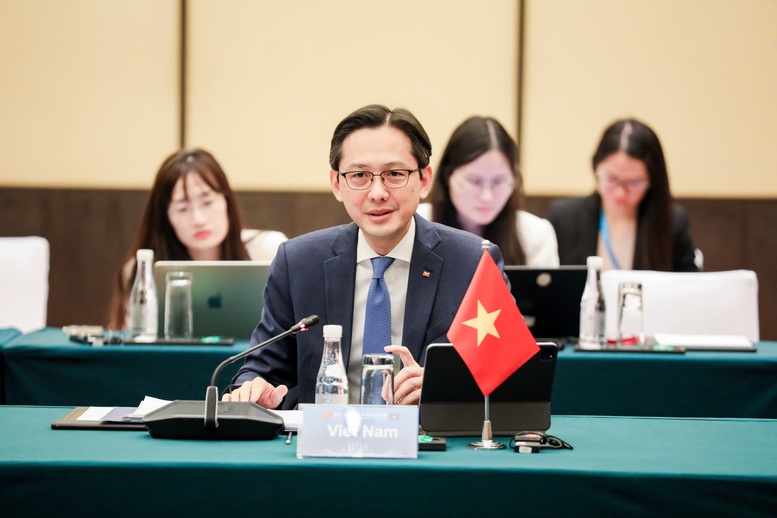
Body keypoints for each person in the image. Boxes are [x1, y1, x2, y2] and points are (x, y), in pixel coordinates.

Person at [225, 104, 507, 408]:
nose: (377, 193)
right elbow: (263, 368)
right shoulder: (298, 263)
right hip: (325, 435)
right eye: (359, 175)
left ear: (424, 180)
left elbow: (507, 375)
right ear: (337, 184)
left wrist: (441, 387)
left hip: (424, 434)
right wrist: (253, 389)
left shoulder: (473, 263)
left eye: (394, 174)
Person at [108, 148, 287, 329]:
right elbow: (133, 339)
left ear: (227, 202)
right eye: (182, 208)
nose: (198, 219)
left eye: (207, 202)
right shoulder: (144, 269)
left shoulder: (269, 250)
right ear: (165, 217)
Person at [546, 118, 698, 272]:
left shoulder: (672, 223)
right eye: (611, 179)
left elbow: (691, 282)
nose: (620, 193)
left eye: (634, 182)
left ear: (653, 180)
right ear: (596, 168)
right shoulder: (564, 219)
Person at [418, 116, 559, 266]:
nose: (487, 196)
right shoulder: (416, 224)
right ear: (447, 176)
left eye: (498, 182)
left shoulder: (535, 234)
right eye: (475, 181)